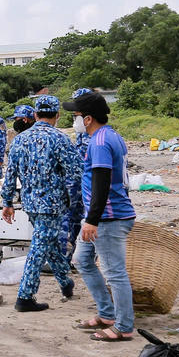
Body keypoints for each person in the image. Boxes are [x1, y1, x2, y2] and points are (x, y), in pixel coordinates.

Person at [62, 90, 137, 341]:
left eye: (76, 116)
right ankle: (107, 314)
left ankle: (124, 327)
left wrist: (92, 219)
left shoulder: (100, 141)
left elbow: (101, 183)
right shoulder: (110, 135)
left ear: (88, 119)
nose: (74, 121)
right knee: (82, 261)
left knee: (114, 272)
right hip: (100, 216)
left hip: (108, 217)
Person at [0, 96, 83, 312]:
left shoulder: (19, 139)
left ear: (35, 115)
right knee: (39, 248)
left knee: (49, 244)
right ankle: (25, 297)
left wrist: (7, 201)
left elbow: (10, 174)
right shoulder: (60, 139)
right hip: (52, 204)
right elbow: (76, 172)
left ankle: (66, 283)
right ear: (57, 116)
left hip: (30, 203)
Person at [60, 88, 94, 260]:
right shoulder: (81, 135)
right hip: (75, 187)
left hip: (89, 189)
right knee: (72, 219)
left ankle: (87, 258)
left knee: (87, 222)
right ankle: (67, 257)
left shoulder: (97, 138)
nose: (75, 119)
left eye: (77, 115)